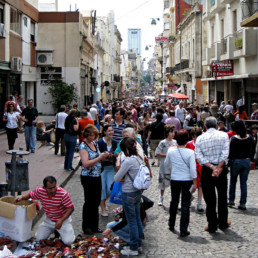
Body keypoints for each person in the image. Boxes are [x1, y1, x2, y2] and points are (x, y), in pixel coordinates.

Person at [15, 176, 75, 245]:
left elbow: (71, 208)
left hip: (62, 220)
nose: (53, 190)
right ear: (44, 187)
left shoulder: (63, 194)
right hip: (49, 220)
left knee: (69, 241)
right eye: (50, 188)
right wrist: (21, 198)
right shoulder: (40, 191)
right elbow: (30, 195)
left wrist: (61, 221)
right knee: (38, 239)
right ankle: (55, 232)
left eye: (54, 187)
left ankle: (65, 233)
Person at [195, 117, 230, 233]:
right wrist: (219, 167)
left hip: (207, 169)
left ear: (205, 126)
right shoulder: (224, 135)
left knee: (209, 199)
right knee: (222, 196)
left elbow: (199, 156)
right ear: (216, 126)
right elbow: (225, 153)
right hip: (221, 169)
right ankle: (223, 222)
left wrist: (212, 167)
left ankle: (212, 224)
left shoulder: (200, 138)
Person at [114, 137, 144, 256]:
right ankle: (139, 243)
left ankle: (133, 248)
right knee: (137, 219)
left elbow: (116, 178)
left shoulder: (128, 161)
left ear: (126, 149)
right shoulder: (139, 158)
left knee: (132, 221)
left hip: (128, 192)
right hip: (137, 191)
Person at [164, 129, 197, 237]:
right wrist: (195, 182)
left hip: (175, 178)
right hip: (187, 179)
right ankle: (183, 229)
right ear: (187, 139)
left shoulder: (171, 150)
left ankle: (171, 223)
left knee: (174, 201)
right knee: (185, 204)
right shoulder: (190, 152)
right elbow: (193, 169)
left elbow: (167, 163)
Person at [79, 124, 110, 235]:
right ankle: (87, 226)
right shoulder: (83, 146)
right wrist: (99, 158)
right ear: (86, 135)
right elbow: (86, 163)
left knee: (96, 201)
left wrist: (103, 155)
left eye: (94, 135)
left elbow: (97, 157)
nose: (92, 137)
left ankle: (94, 225)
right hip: (88, 177)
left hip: (97, 176)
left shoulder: (94, 144)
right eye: (90, 135)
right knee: (89, 201)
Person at [228, 120, 253, 210]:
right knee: (243, 183)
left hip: (236, 161)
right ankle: (242, 203)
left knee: (233, 181)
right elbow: (252, 150)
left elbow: (230, 153)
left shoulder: (234, 138)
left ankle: (231, 200)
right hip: (246, 161)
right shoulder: (249, 137)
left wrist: (229, 162)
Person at [97, 125, 117, 217]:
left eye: (112, 131)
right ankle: (103, 208)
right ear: (104, 132)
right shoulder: (100, 142)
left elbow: (118, 153)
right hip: (102, 168)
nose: (111, 132)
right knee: (102, 189)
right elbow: (97, 155)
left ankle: (103, 203)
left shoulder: (115, 142)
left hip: (111, 168)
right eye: (109, 131)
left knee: (110, 188)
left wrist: (116, 155)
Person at [155, 125, 177, 206]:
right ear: (167, 133)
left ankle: (174, 199)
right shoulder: (163, 142)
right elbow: (157, 153)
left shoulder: (175, 142)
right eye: (171, 132)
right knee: (163, 183)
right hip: (164, 166)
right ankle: (161, 197)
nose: (173, 134)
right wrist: (167, 155)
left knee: (174, 184)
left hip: (173, 166)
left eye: (174, 132)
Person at [186, 127, 204, 212]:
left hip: (200, 167)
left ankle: (199, 202)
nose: (195, 138)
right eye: (194, 136)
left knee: (200, 185)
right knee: (192, 185)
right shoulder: (189, 144)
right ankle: (189, 196)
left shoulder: (203, 144)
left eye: (197, 136)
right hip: (192, 168)